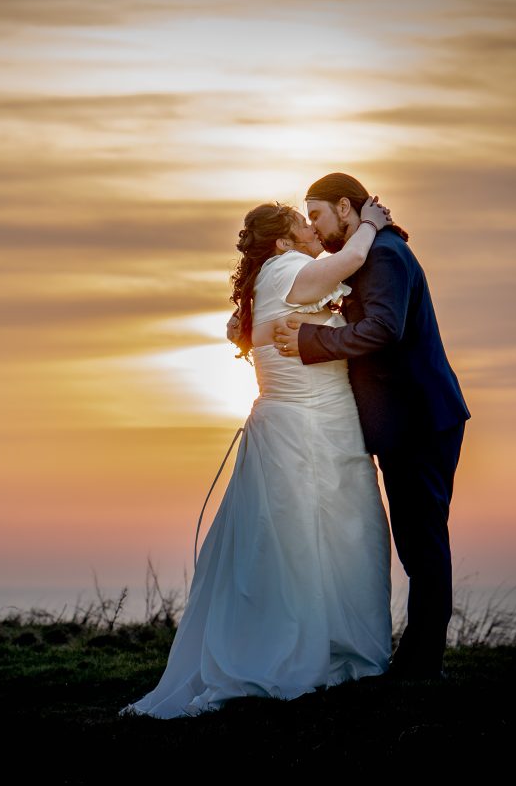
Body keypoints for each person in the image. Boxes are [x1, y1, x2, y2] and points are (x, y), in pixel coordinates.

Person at [119, 198, 395, 719]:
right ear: (284, 243)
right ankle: (314, 654)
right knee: (333, 535)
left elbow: (255, 333)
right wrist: (372, 226)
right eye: (302, 224)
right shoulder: (293, 269)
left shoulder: (265, 280)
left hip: (286, 423)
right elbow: (352, 261)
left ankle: (312, 644)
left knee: (293, 542)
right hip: (312, 426)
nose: (314, 231)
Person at [273, 172, 470, 680]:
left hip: (419, 422)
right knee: (418, 540)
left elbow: (383, 329)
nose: (313, 227)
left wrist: (310, 342)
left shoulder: (383, 255)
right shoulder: (373, 252)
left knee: (422, 544)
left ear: (344, 207)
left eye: (316, 214)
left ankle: (421, 666)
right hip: (410, 421)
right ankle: (419, 661)